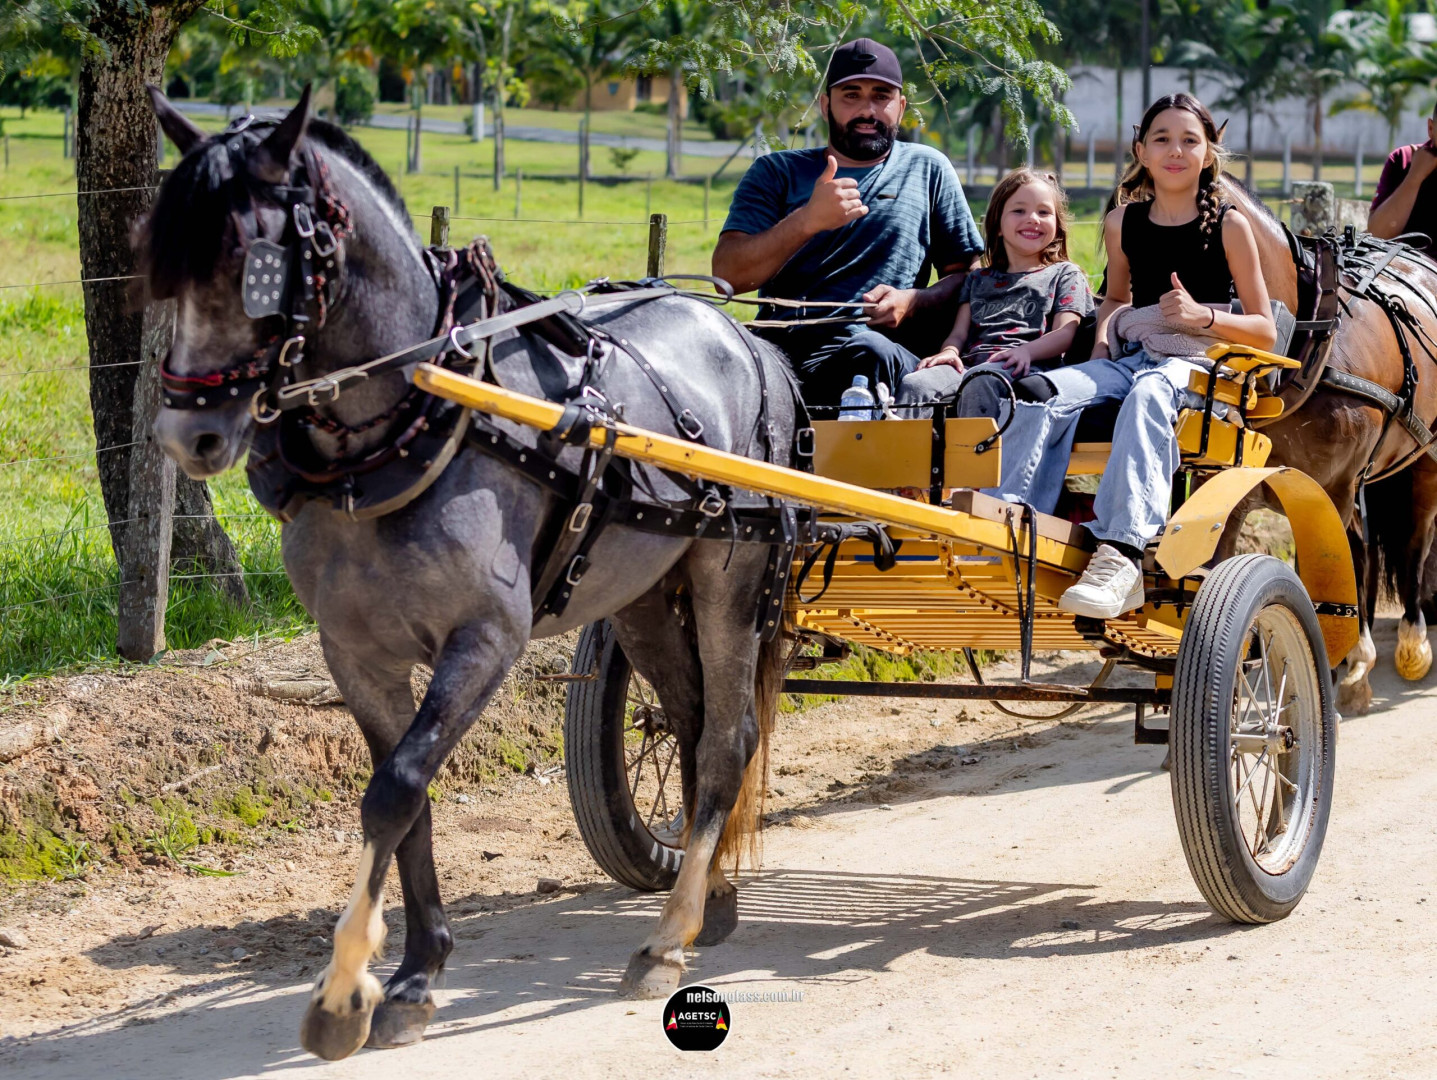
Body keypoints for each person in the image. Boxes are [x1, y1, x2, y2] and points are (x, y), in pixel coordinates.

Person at [982, 93, 1276, 619]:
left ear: (1208, 153)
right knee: (1037, 391)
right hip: (1133, 356)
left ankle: (1122, 554)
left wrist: (1202, 317)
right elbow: (1116, 299)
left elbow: (1265, 330)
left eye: (1189, 140)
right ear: (1141, 150)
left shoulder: (1230, 226)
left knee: (1149, 393)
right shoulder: (1122, 223)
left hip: (1201, 366)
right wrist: (1099, 349)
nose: (1175, 151)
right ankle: (1013, 532)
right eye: (1162, 139)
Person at [712, 38, 984, 405]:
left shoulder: (927, 168)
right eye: (851, 96)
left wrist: (914, 300)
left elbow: (971, 277)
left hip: (882, 356)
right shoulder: (775, 172)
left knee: (870, 350)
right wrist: (807, 220)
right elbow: (727, 277)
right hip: (780, 356)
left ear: (901, 107)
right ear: (826, 106)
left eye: (881, 96)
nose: (867, 110)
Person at [895, 168, 1093, 413]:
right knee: (916, 384)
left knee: (981, 382)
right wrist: (949, 351)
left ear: (1057, 225)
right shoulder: (977, 279)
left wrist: (1025, 351)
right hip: (969, 366)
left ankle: (975, 440)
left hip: (1028, 367)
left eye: (1044, 212)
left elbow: (1065, 334)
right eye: (1019, 211)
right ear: (997, 224)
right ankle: (905, 438)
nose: (1033, 218)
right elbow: (959, 334)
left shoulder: (1064, 274)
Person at [1369, 103, 1437, 252]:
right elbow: (1377, 235)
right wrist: (1415, 177)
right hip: (1404, 264)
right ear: (1431, 128)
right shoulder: (1404, 160)